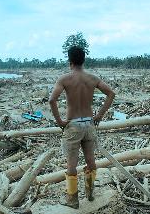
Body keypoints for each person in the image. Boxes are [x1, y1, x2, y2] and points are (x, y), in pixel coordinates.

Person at [49, 46, 115, 209]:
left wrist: (60, 121)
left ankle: (73, 200)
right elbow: (111, 94)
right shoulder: (92, 78)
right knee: (91, 160)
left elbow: (52, 100)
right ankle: (90, 193)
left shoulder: (64, 79)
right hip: (89, 123)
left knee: (71, 164)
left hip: (73, 125)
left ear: (70, 62)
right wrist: (99, 115)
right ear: (83, 60)